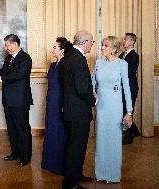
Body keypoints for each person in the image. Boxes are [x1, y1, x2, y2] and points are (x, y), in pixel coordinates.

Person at [92, 36, 133, 183]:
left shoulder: (122, 64)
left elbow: (127, 88)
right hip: (102, 105)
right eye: (102, 45)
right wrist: (94, 93)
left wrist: (129, 111)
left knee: (114, 139)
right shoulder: (98, 63)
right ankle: (101, 174)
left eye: (106, 46)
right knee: (102, 138)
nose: (102, 48)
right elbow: (91, 83)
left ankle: (113, 175)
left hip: (115, 104)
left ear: (114, 49)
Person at [61, 30, 97, 189]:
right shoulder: (77, 59)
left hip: (71, 110)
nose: (92, 45)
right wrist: (93, 100)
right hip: (78, 112)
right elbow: (82, 89)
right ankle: (70, 184)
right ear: (84, 43)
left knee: (75, 146)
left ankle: (76, 175)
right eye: (92, 42)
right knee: (77, 148)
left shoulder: (69, 56)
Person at [0, 34, 33, 166]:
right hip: (8, 100)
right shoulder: (8, 58)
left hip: (20, 101)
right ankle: (15, 153)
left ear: (15, 44)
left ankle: (25, 157)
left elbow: (18, 75)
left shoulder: (25, 58)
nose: (5, 48)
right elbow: (3, 73)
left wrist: (1, 79)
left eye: (7, 45)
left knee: (22, 129)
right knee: (12, 128)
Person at [41, 37, 72, 175]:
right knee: (51, 131)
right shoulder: (53, 65)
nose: (52, 49)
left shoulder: (67, 64)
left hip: (61, 103)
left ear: (62, 50)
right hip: (51, 103)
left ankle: (60, 166)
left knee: (60, 132)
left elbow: (68, 87)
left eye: (55, 47)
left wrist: (65, 104)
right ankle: (50, 164)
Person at [119, 33, 140, 145]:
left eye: (125, 39)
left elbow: (129, 72)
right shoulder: (121, 54)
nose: (123, 41)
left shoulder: (135, 56)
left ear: (132, 42)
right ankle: (133, 131)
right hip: (121, 88)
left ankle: (128, 136)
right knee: (122, 111)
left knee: (127, 111)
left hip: (130, 88)